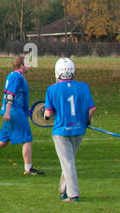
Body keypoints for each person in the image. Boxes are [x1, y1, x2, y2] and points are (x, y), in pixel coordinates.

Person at [0, 54, 42, 175]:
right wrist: (8, 112)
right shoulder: (17, 77)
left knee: (3, 141)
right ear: (21, 66)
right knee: (27, 139)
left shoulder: (14, 76)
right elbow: (10, 94)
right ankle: (28, 168)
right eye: (26, 64)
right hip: (15, 113)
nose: (28, 66)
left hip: (14, 111)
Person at [41, 57, 95, 201]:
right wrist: (87, 120)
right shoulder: (83, 86)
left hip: (61, 131)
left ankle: (73, 194)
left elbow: (48, 113)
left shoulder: (52, 89)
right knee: (68, 160)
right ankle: (63, 189)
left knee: (68, 162)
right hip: (78, 130)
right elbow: (92, 108)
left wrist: (45, 117)